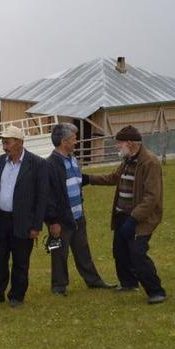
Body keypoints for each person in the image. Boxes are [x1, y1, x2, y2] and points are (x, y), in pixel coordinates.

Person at [85, 125, 167, 304]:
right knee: (120, 251)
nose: (117, 146)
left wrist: (134, 218)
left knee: (138, 254)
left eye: (119, 143)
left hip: (140, 220)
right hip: (123, 217)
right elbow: (114, 178)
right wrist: (89, 179)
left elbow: (152, 197)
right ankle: (129, 283)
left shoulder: (150, 163)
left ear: (130, 143)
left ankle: (156, 291)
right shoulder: (128, 160)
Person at [44, 124, 117, 295]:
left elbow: (77, 180)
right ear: (64, 141)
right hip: (61, 220)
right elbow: (48, 196)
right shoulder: (50, 165)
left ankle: (93, 281)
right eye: (73, 139)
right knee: (59, 253)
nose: (76, 142)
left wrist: (99, 179)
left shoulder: (72, 158)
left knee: (83, 250)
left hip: (78, 215)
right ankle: (58, 286)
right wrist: (53, 222)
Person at [0, 125, 48, 308]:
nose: (4, 147)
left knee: (20, 261)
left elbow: (42, 198)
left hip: (23, 221)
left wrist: (36, 226)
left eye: (7, 142)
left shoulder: (37, 164)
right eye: (3, 142)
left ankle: (17, 296)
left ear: (19, 143)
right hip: (0, 220)